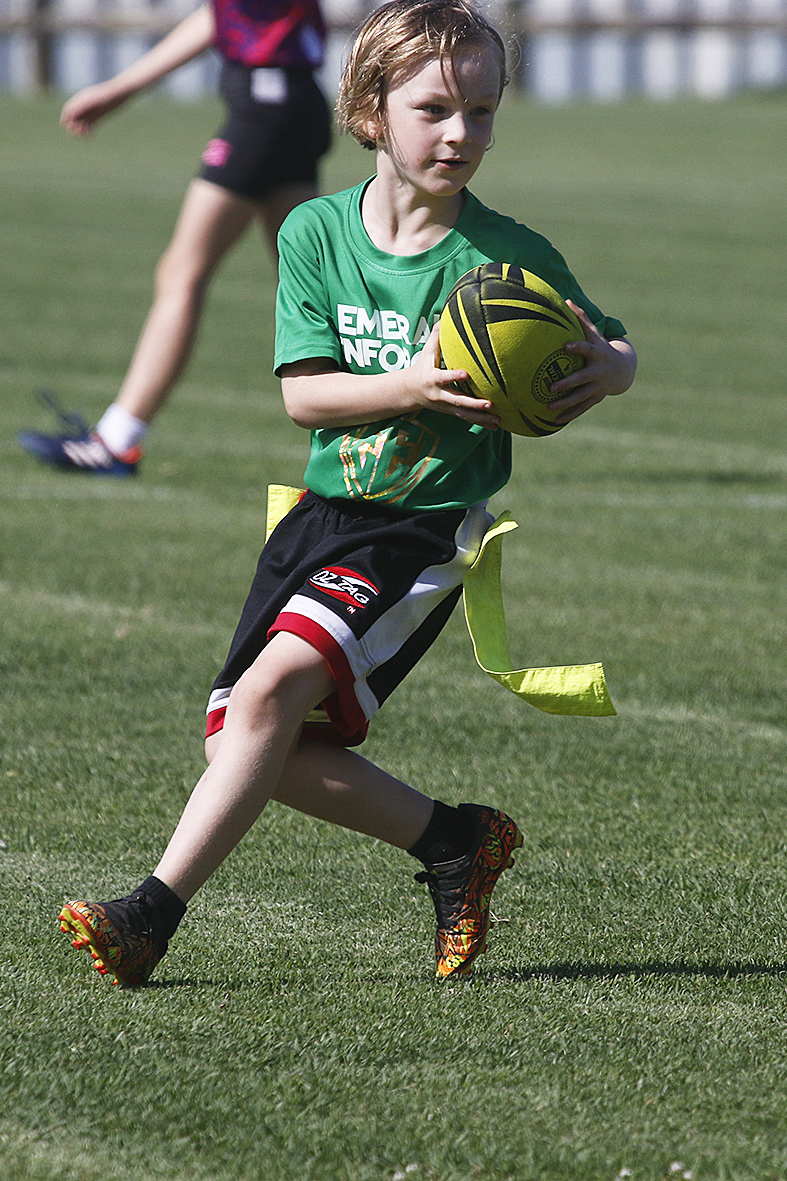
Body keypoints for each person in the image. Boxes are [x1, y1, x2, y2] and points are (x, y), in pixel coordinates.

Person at [57, 0, 637, 987]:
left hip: (423, 527)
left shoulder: (504, 260)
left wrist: (612, 368)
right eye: (434, 109)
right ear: (370, 110)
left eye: (481, 112)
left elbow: (610, 342)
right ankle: (454, 839)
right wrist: (410, 385)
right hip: (322, 516)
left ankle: (148, 915)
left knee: (268, 697)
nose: (460, 133)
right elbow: (304, 397)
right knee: (250, 742)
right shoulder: (316, 231)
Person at [18, 0, 332, 476]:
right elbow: (217, 15)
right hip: (285, 102)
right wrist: (121, 89)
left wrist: (119, 90)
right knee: (313, 291)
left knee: (183, 273)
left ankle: (117, 441)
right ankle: (390, 434)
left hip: (266, 108)